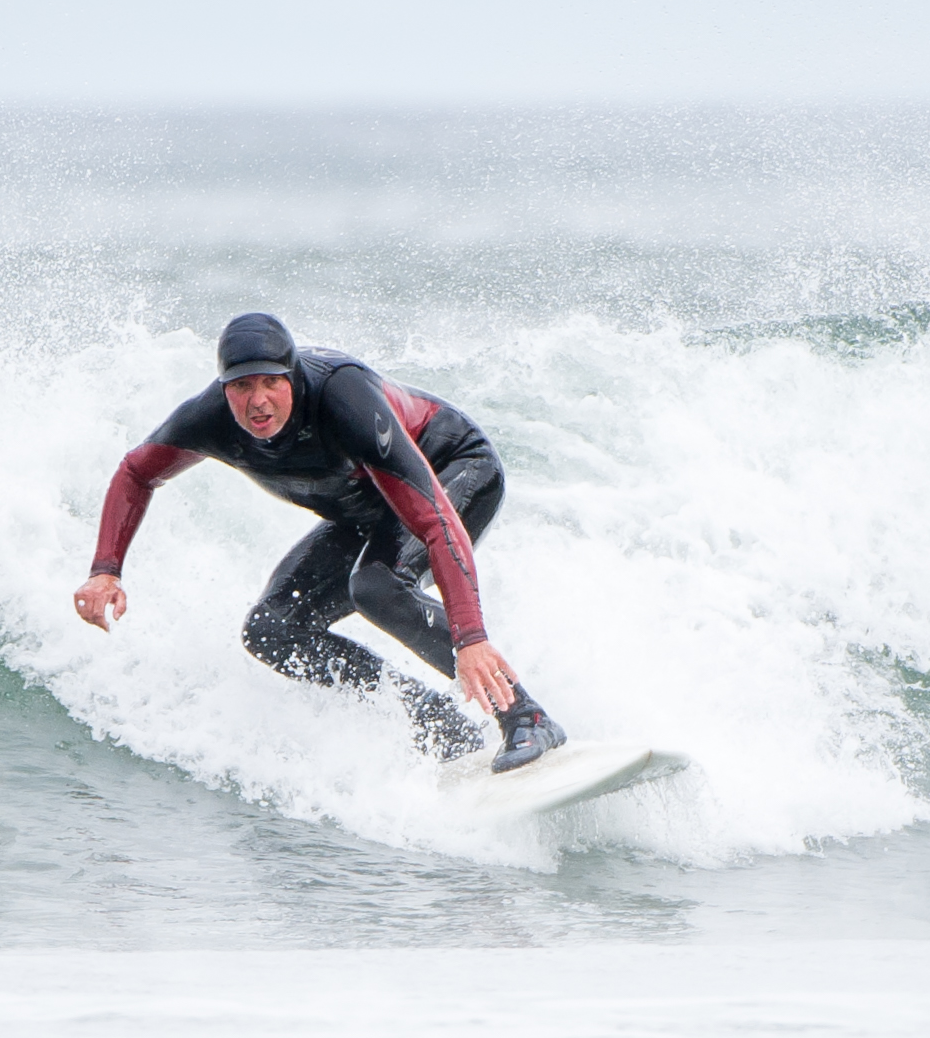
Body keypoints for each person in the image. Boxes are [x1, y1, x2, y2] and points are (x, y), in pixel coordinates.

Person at [72, 313, 571, 772]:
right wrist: (106, 569)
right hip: (363, 509)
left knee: (377, 587)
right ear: (225, 388)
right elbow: (136, 472)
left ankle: (525, 717)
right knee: (271, 628)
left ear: (293, 376)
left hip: (454, 470)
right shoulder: (208, 420)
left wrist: (471, 638)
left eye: (272, 382)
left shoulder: (343, 398)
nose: (258, 400)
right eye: (242, 386)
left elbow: (436, 521)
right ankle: (436, 721)